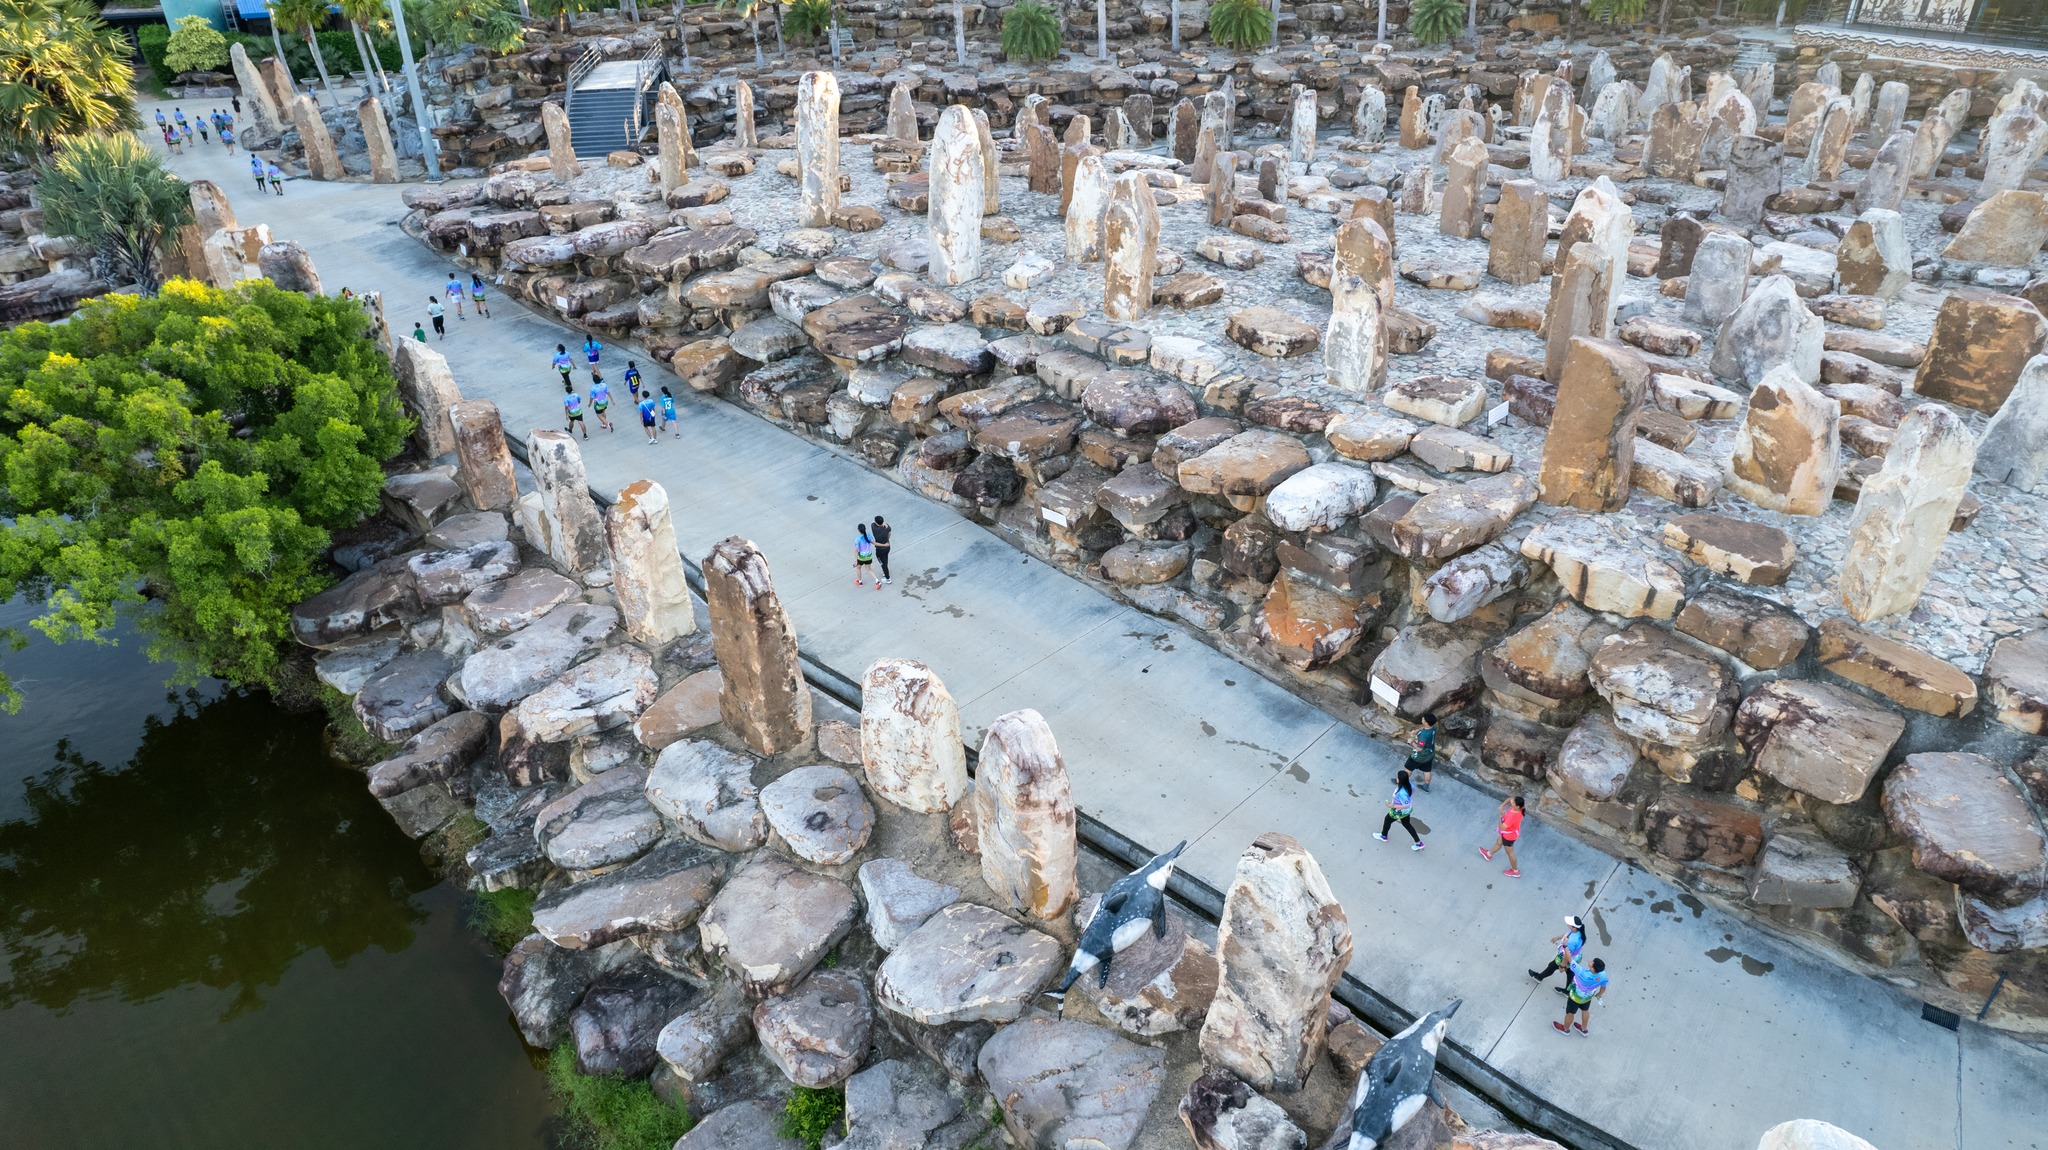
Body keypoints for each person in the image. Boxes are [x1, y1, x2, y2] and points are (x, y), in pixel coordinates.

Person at [1553, 957, 1608, 1036]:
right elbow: (1603, 987)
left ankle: (1565, 1029)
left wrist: (1565, 949)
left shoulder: (1582, 972)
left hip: (1576, 997)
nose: (1590, 960)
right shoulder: (1603, 974)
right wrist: (1599, 994)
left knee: (1570, 1013)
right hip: (1587, 997)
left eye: (1592, 962)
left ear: (1593, 969)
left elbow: (1569, 958)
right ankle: (1584, 1029)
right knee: (1585, 1010)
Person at [1529, 916, 1588, 989]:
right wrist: (1557, 938)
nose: (1567, 923)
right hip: (1576, 957)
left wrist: (1562, 966)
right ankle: (1568, 990)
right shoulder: (1577, 932)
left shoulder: (1571, 941)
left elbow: (1567, 955)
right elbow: (1567, 934)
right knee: (1570, 972)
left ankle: (1539, 977)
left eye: (1569, 923)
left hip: (1566, 957)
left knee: (1552, 966)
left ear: (1574, 927)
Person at [1373, 768, 1425, 850]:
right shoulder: (1408, 784)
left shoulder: (1401, 793)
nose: (1396, 778)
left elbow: (1406, 805)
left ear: (1400, 780)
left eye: (1397, 777)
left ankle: (1384, 836)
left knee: (1387, 820)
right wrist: (1408, 797)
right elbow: (1413, 790)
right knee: (1407, 824)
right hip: (1407, 811)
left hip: (1399, 811)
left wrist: (1392, 806)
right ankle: (1418, 843)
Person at [1480, 794, 1526, 878]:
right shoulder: (1520, 807)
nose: (1511, 802)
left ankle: (1515, 871)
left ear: (1517, 806)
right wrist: (1502, 805)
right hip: (1508, 833)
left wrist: (1501, 816)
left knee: (1510, 853)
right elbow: (1510, 799)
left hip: (1509, 836)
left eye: (1513, 803)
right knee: (1499, 842)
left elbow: (1502, 827)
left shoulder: (1513, 817)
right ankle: (1488, 854)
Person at [1409, 712, 1438, 792]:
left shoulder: (1424, 735)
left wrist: (1411, 742)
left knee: (1408, 768)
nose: (1422, 719)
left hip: (1419, 756)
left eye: (1423, 719)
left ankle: (1400, 781)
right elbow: (1424, 728)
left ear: (1426, 722)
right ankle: (1426, 787)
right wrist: (1417, 730)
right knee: (1427, 770)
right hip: (1430, 754)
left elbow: (1419, 749)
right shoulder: (1433, 727)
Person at [871, 515, 892, 585]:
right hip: (887, 547)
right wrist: (887, 539)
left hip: (880, 550)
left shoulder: (874, 527)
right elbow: (889, 533)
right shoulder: (887, 527)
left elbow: (873, 522)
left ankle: (888, 578)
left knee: (883, 564)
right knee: (886, 559)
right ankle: (885, 572)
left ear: (876, 522)